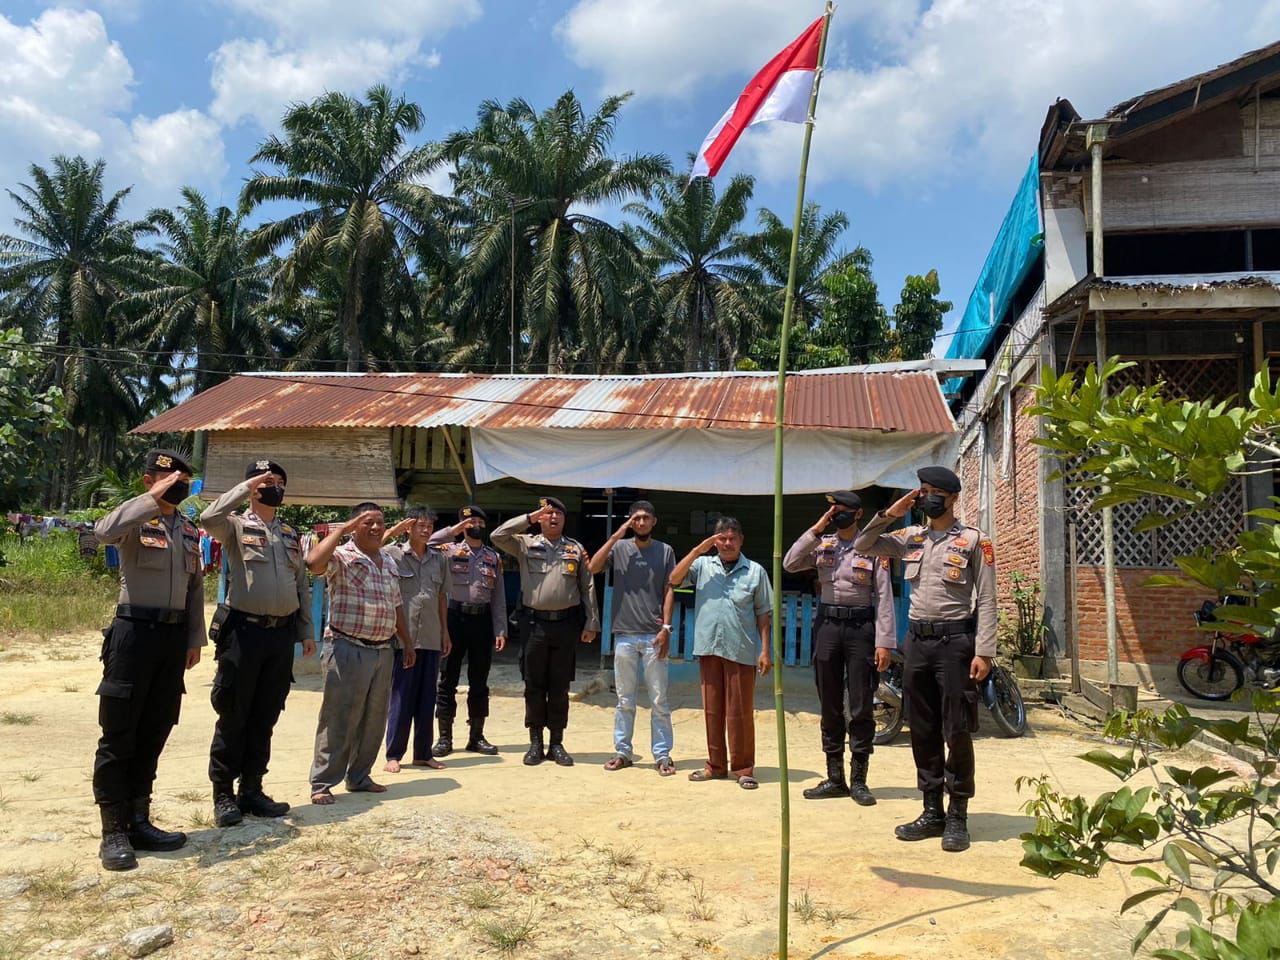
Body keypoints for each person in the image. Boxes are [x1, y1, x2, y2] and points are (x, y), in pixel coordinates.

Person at [854, 466, 997, 852]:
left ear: (952, 497)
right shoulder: (909, 537)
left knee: (956, 728)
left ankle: (958, 815)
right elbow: (863, 546)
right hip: (917, 641)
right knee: (922, 728)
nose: (926, 497)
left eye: (935, 491)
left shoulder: (973, 541)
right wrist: (888, 515)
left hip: (956, 643)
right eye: (922, 491)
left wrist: (985, 650)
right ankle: (931, 810)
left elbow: (986, 598)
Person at [92, 449, 206, 871]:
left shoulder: (190, 531)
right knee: (119, 732)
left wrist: (194, 638)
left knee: (156, 727)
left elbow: (195, 589)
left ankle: (140, 818)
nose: (178, 481)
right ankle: (114, 829)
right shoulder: (134, 518)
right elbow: (102, 531)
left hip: (172, 639)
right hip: (133, 634)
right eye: (168, 475)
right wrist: (151, 498)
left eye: (183, 477)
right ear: (148, 479)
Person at [201, 459, 314, 828]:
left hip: (280, 635)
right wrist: (243, 489)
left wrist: (306, 631)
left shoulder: (290, 533)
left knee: (266, 713)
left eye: (279, 481)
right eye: (266, 481)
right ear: (252, 487)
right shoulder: (234, 525)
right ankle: (223, 794)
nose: (273, 486)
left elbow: (301, 587)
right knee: (234, 712)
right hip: (244, 633)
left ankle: (252, 789)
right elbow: (207, 518)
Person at [784, 491, 896, 805]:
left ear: (859, 514)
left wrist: (884, 642)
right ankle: (835, 778)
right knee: (829, 702)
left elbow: (884, 597)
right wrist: (817, 528)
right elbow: (791, 562)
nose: (838, 515)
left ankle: (859, 780)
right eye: (834, 511)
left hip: (861, 627)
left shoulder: (875, 547)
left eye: (844, 510)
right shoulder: (824, 543)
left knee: (861, 703)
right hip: (828, 626)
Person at [306, 503, 415, 805]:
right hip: (346, 646)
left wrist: (406, 642)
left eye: (380, 522)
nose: (377, 528)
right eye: (368, 523)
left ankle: (359, 776)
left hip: (382, 650)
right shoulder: (341, 556)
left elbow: (396, 606)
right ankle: (323, 782)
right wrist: (340, 530)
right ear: (355, 526)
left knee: (373, 719)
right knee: (339, 716)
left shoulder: (389, 563)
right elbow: (313, 563)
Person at [492, 496, 600, 767]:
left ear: (564, 519)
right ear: (540, 517)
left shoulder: (575, 549)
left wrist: (591, 622)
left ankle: (557, 743)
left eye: (557, 514)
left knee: (560, 686)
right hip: (535, 625)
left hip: (566, 625)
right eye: (547, 514)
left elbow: (587, 587)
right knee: (534, 685)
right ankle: (535, 742)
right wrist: (529, 518)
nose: (552, 518)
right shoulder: (526, 544)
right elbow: (497, 535)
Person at [670, 517, 772, 790]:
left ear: (741, 541)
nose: (727, 543)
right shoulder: (703, 566)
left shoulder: (755, 571)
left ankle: (743, 768)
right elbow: (674, 578)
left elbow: (764, 612)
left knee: (740, 713)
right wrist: (696, 551)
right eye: (721, 538)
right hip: (709, 648)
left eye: (732, 538)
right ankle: (715, 766)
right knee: (712, 711)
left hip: (742, 649)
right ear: (714, 541)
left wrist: (765, 650)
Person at [587, 500, 676, 776]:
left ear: (653, 521)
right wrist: (617, 534)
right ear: (630, 521)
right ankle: (623, 752)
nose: (641, 523)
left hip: (653, 635)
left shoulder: (665, 551)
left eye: (645, 518)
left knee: (659, 700)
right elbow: (593, 568)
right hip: (624, 634)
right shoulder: (620, 548)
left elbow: (669, 588)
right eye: (636, 518)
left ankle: (662, 755)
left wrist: (666, 628)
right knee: (625, 700)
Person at [427, 505, 507, 757]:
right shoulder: (447, 550)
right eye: (472, 521)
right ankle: (444, 738)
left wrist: (500, 628)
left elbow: (498, 597)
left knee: (479, 680)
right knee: (447, 679)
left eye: (481, 522)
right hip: (453, 619)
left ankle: (476, 736)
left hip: (481, 620)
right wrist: (454, 530)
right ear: (462, 524)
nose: (477, 526)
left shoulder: (493, 557)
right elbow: (428, 542)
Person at [380, 506, 452, 773]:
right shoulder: (393, 554)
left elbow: (442, 597)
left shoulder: (439, 559)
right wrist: (392, 530)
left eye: (429, 526)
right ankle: (393, 754)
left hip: (432, 637)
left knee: (427, 699)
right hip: (403, 638)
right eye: (420, 525)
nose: (425, 530)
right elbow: (371, 547)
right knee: (401, 696)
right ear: (409, 527)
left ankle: (423, 753)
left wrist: (445, 631)